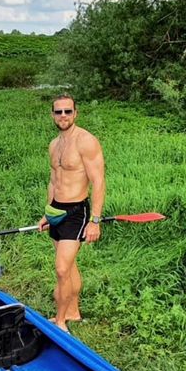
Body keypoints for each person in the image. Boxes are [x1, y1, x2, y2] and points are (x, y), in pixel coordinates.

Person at [38, 94, 105, 333]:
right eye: (59, 112)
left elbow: (98, 182)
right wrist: (47, 213)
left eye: (68, 111)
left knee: (61, 269)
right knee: (70, 266)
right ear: (53, 115)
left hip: (77, 211)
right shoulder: (54, 145)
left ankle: (60, 322)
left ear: (75, 113)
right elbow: (53, 181)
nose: (63, 116)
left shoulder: (86, 141)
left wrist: (94, 221)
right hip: (56, 210)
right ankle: (73, 312)